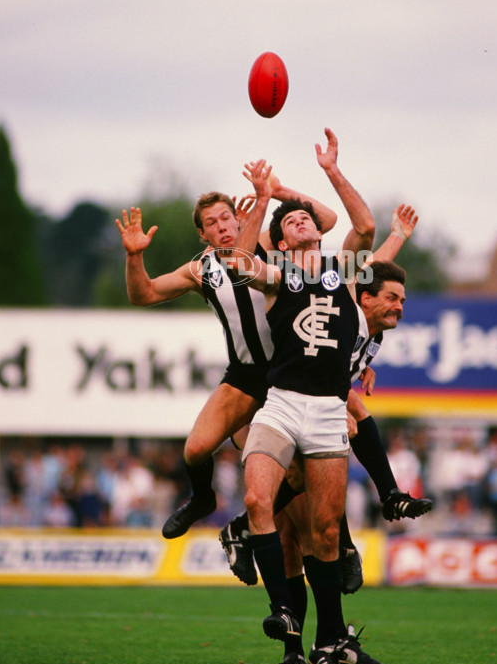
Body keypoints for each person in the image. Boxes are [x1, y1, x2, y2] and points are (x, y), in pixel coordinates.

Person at [229, 128, 380, 664]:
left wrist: (331, 172)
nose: (301, 221)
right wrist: (265, 199)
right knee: (255, 497)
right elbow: (242, 260)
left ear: (317, 230)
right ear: (283, 241)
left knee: (324, 530)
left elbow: (364, 226)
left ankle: (327, 642)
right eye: (290, 222)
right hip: (282, 404)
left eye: (305, 217)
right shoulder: (280, 275)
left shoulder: (343, 270)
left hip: (326, 408)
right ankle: (285, 610)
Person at [115, 176, 337, 538]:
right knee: (196, 449)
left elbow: (324, 220)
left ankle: (333, 538)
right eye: (211, 224)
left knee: (309, 469)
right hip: (245, 374)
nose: (221, 227)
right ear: (203, 235)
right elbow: (144, 294)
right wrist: (134, 255)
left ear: (238, 218)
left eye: (225, 218)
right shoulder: (200, 269)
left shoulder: (268, 242)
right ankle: (203, 499)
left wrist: (276, 193)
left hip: (289, 370)